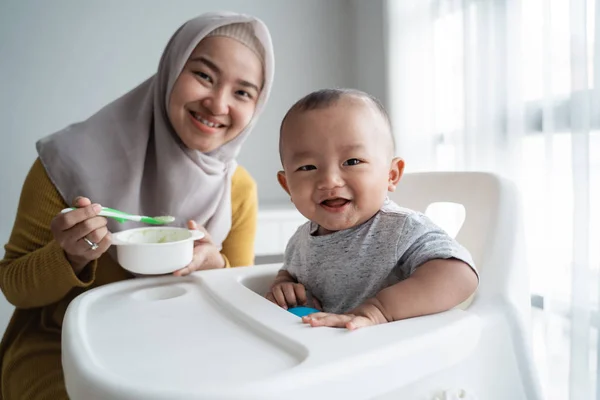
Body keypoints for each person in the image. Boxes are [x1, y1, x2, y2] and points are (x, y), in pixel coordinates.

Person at [0, 11, 274, 399]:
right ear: (170, 71)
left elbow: (239, 310)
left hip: (185, 355)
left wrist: (219, 269)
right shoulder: (69, 161)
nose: (218, 104)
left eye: (242, 92)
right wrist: (69, 257)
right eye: (204, 76)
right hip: (62, 350)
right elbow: (14, 285)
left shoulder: (238, 189)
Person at [265, 88, 478, 330]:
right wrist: (284, 285)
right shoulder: (300, 241)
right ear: (287, 186)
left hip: (393, 352)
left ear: (391, 175)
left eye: (352, 162)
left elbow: (461, 276)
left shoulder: (400, 229)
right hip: (330, 353)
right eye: (308, 167)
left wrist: (379, 310)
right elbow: (291, 273)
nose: (330, 180)